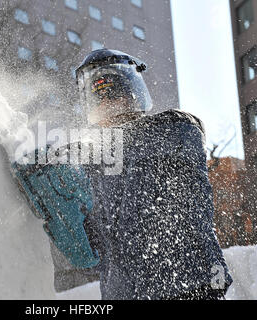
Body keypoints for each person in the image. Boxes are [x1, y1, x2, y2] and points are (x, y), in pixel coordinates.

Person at [74, 48, 233, 300]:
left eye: (113, 96)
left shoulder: (175, 131)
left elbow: (147, 148)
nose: (107, 106)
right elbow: (94, 246)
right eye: (98, 100)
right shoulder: (97, 162)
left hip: (189, 288)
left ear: (133, 93)